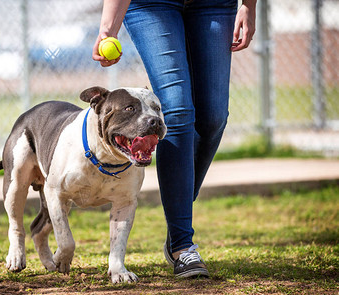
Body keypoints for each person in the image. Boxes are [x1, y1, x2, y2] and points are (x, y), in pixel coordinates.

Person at [93, 0, 257, 278]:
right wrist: (108, 28)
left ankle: (177, 217)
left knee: (213, 117)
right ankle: (182, 245)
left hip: (215, 4)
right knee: (177, 112)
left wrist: (249, 6)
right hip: (152, 4)